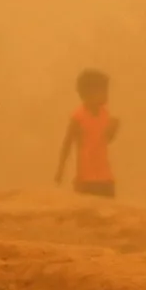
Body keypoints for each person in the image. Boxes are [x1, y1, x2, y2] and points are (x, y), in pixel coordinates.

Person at [55, 70, 120, 199]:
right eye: (103, 91)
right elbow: (67, 144)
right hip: (86, 180)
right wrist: (60, 170)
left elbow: (105, 140)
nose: (106, 95)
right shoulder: (78, 117)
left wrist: (114, 129)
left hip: (105, 178)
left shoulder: (105, 114)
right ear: (88, 93)